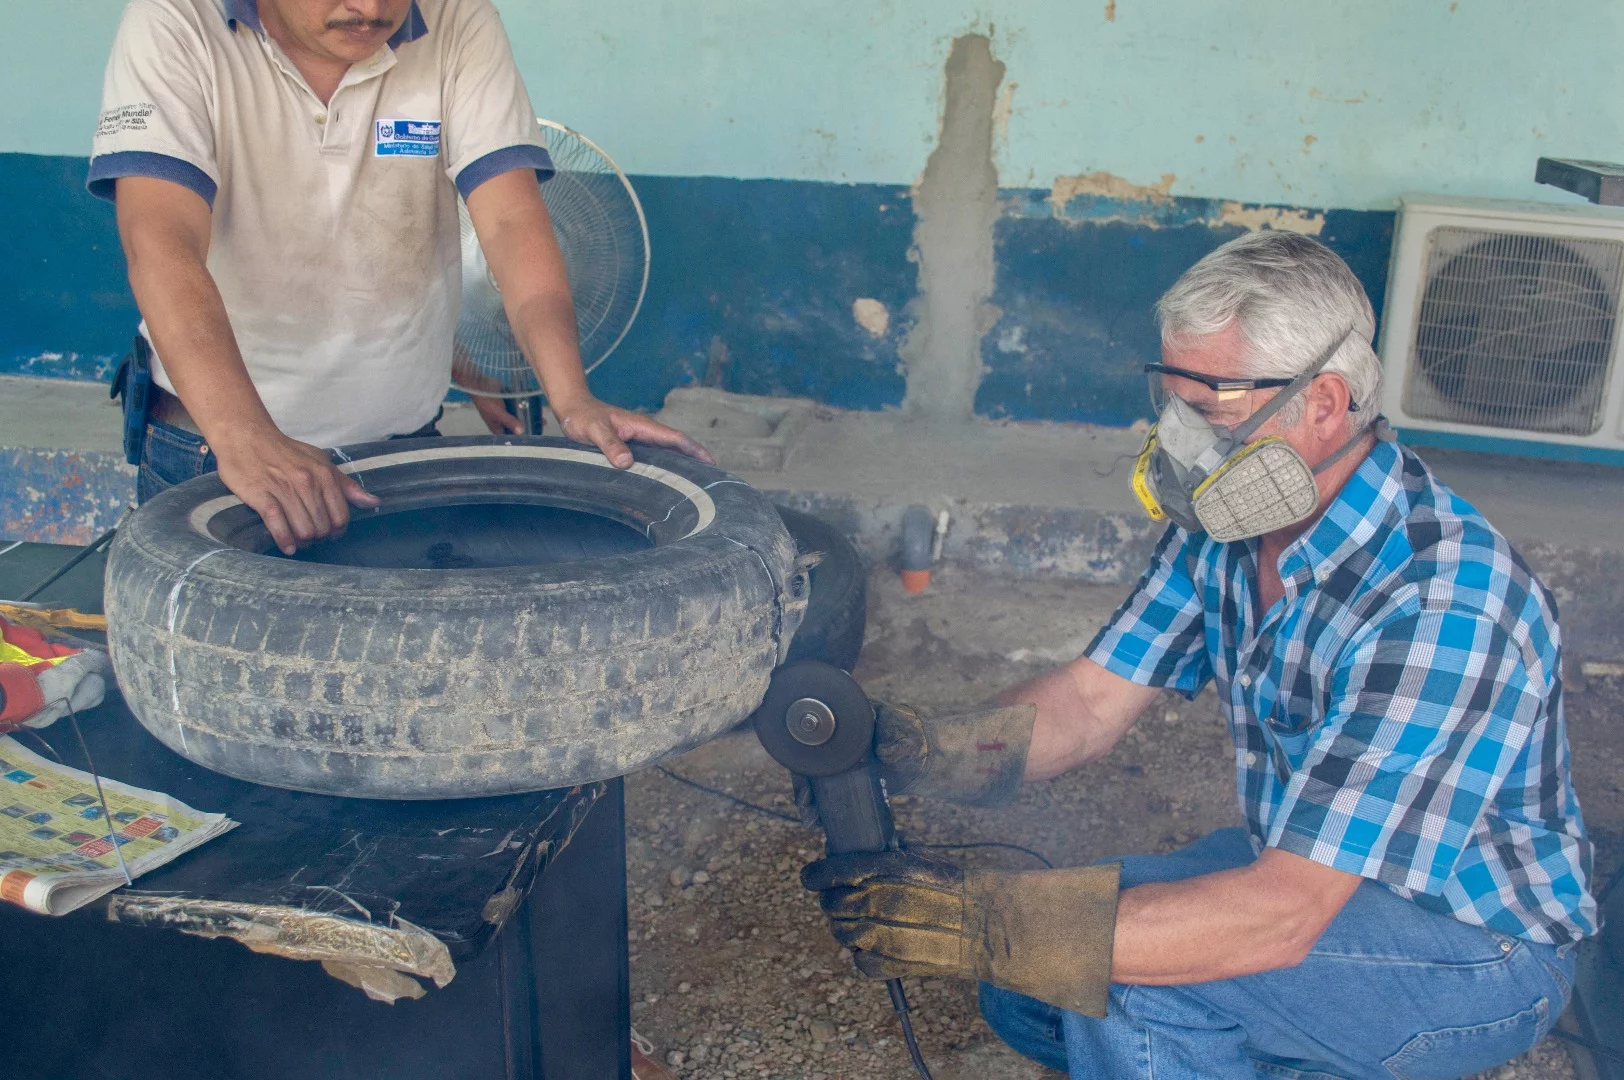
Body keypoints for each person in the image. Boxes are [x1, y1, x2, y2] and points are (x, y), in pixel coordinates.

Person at [801, 232, 1596, 1079]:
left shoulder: (1443, 602)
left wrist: (986, 923)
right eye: (1172, 405)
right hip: (1306, 871)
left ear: (1323, 403)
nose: (1181, 447)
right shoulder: (1230, 530)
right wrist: (924, 749)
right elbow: (1090, 703)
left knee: (1124, 976)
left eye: (1210, 415)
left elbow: (1283, 915)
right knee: (1028, 987)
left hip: (1470, 944)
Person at [89, 0, 709, 554]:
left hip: (402, 454)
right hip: (214, 453)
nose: (371, 8)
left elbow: (512, 221)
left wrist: (571, 396)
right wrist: (244, 434)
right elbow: (161, 239)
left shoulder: (458, 21)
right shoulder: (174, 21)